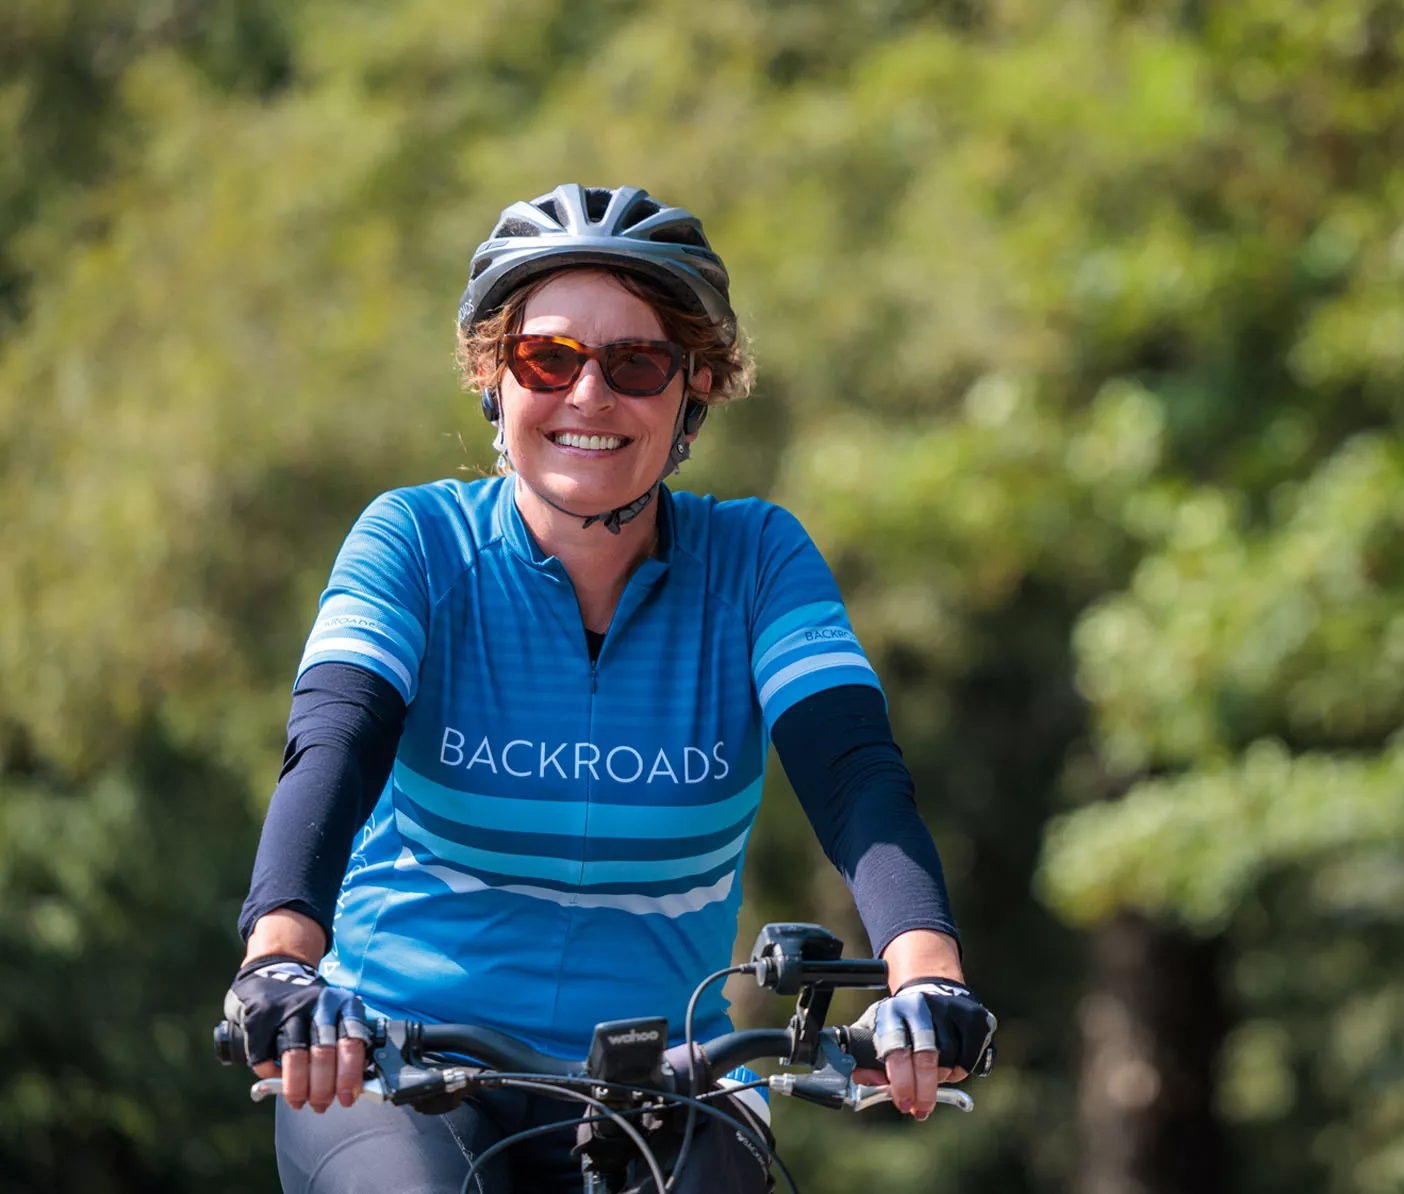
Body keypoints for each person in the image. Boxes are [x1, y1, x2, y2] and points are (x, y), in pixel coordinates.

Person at [225, 183, 996, 1193]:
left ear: (695, 392)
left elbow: (854, 773)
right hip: (398, 1065)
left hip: (672, 1077)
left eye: (635, 363)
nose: (589, 396)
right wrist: (279, 958)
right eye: (548, 358)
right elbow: (334, 739)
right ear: (493, 382)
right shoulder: (413, 541)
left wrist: (925, 976)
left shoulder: (758, 561)